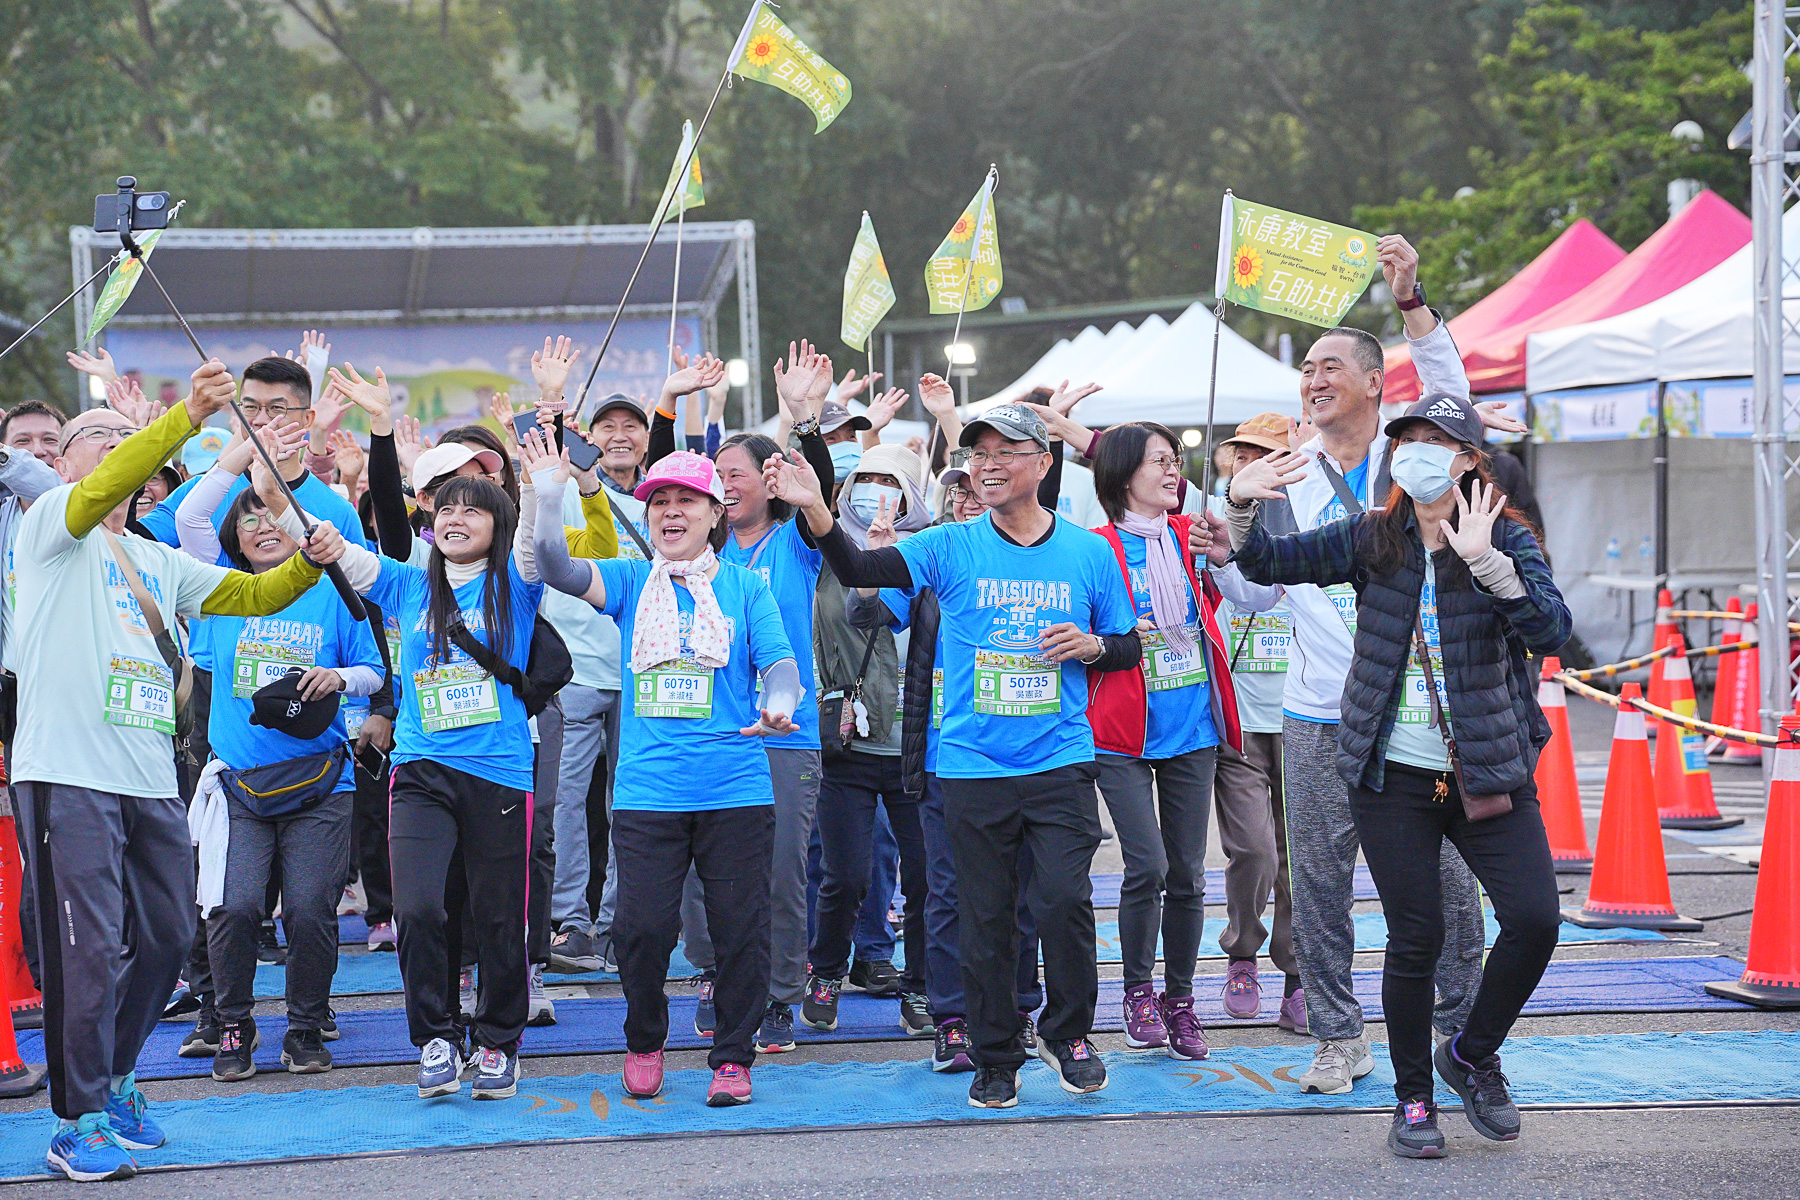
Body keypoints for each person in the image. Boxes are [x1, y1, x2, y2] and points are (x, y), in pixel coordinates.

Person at [1193, 239, 1513, 1096]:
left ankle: (1458, 1035)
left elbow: (1451, 391)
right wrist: (1228, 540)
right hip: (1317, 714)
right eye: (1305, 369)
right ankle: (1339, 1037)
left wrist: (1410, 300)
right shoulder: (1285, 475)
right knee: (1319, 884)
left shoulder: (1410, 461)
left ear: (1376, 382)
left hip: (1415, 714)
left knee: (1449, 884)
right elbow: (1255, 595)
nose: (1313, 379)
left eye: (1330, 365)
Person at [12, 362, 340, 1182]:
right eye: (96, 439)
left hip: (152, 781)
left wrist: (311, 560)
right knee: (87, 950)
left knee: (166, 937)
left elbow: (254, 596)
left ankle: (116, 1077)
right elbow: (102, 487)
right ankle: (77, 1119)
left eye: (125, 441)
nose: (114, 450)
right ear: (64, 464)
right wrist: (183, 417)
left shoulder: (157, 560)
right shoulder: (51, 524)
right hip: (67, 775)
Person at [768, 402, 1141, 1109]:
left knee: (1064, 902)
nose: (988, 465)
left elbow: (1126, 646)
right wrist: (817, 507)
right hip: (972, 765)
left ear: (1044, 463)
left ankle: (1068, 1035)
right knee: (984, 916)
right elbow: (858, 565)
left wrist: (1093, 646)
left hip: (1060, 759)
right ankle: (995, 1057)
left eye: (1006, 452)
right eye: (978, 454)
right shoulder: (948, 545)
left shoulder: (1089, 552)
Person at [1225, 391, 1568, 1158]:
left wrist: (1488, 566)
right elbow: (1268, 564)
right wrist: (1241, 506)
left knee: (1536, 920)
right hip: (1392, 778)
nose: (1415, 452)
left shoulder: (1505, 537)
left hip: (1487, 771)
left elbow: (1552, 630)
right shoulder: (1374, 537)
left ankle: (1471, 1055)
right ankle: (1414, 1100)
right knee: (1417, 935)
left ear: (1469, 460)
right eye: (1406, 438)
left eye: (1434, 441)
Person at [269, 437, 545, 1103]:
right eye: (445, 508)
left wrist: (543, 480)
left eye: (472, 509)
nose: (454, 518)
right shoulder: (407, 583)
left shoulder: (519, 584)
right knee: (418, 909)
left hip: (501, 773)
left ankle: (499, 1041)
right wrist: (281, 490)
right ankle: (436, 1037)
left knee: (498, 916)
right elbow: (335, 548)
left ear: (499, 524)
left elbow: (540, 541)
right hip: (421, 769)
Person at [530, 440, 801, 1107]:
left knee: (740, 933)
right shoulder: (630, 581)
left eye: (687, 501)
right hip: (648, 794)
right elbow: (554, 566)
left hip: (735, 791)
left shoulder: (745, 587)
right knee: (642, 932)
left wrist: (779, 705)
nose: (672, 513)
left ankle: (732, 1056)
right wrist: (546, 490)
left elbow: (780, 664)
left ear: (714, 513)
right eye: (660, 503)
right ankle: (645, 1039)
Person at [172, 452, 384, 1082]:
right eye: (249, 518)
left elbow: (375, 673)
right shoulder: (219, 590)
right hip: (238, 787)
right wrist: (242, 449)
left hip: (322, 783)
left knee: (311, 911)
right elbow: (188, 519)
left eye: (274, 516)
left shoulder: (334, 592)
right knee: (234, 908)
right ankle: (233, 1023)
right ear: (234, 536)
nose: (262, 526)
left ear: (299, 528)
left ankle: (306, 1024)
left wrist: (337, 677)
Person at [656, 344, 832, 1053]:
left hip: (786, 735)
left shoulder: (795, 546)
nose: (724, 486)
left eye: (737, 474)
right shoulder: (697, 555)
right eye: (717, 476)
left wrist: (803, 419)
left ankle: (781, 992)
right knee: (702, 874)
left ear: (770, 479)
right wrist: (671, 401)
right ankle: (713, 973)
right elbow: (661, 489)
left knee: (781, 871)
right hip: (709, 732)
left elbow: (819, 497)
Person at [1084, 421, 1242, 1060]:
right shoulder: (1094, 548)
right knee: (1145, 865)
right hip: (1120, 732)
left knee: (1188, 873)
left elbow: (1240, 587)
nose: (1174, 471)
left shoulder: (1191, 536)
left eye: (1176, 460)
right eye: (1159, 461)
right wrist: (1118, 637)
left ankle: (1181, 1001)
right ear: (1125, 475)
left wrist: (1223, 552)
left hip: (1192, 727)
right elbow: (1079, 633)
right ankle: (1137, 993)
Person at [801, 442, 931, 1035]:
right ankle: (826, 970)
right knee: (846, 874)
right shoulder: (828, 553)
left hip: (920, 746)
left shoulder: (933, 552)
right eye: (866, 480)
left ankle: (922, 985)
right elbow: (856, 608)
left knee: (927, 878)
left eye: (892, 482)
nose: (877, 493)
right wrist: (807, 425)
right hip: (849, 742)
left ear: (912, 493)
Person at [1206, 414, 1299, 1026]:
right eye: (1243, 454)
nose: (1252, 465)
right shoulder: (1210, 520)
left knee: (1302, 857)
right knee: (1255, 852)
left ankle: (1298, 975)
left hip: (1305, 720)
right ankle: (1243, 953)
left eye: (1267, 456)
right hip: (1236, 721)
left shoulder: (1317, 526)